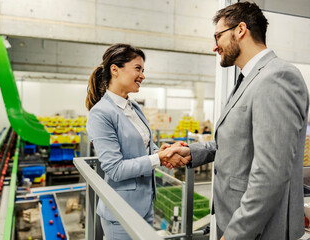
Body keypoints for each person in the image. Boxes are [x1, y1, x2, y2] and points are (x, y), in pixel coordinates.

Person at [167, 2, 309, 239]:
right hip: (234, 215)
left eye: (218, 36)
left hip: (258, 229)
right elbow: (239, 142)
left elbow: (270, 173)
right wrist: (191, 152)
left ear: (241, 29)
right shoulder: (249, 78)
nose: (215, 46)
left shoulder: (277, 77)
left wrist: (235, 234)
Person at [85, 43, 189, 240]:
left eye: (143, 70)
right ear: (115, 70)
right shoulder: (101, 113)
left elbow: (144, 146)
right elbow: (114, 169)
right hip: (120, 211)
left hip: (145, 204)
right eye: (138, 68)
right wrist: (158, 158)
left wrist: (166, 150)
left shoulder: (133, 108)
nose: (143, 75)